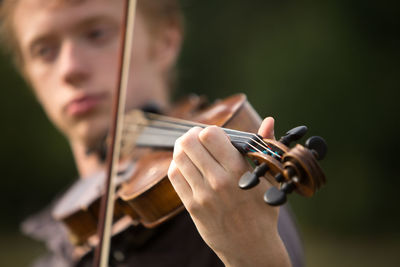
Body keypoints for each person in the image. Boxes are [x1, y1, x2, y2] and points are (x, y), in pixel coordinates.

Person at [0, 0, 303, 266]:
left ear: (165, 41)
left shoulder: (225, 208)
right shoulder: (56, 250)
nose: (70, 68)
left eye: (96, 34)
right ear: (28, 75)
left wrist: (256, 256)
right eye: (44, 50)